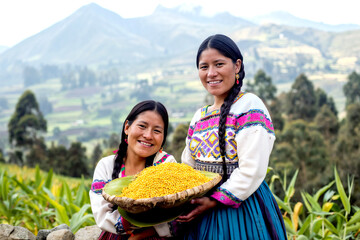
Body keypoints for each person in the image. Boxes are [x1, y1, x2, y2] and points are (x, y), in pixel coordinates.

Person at [178, 34, 287, 239]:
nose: (211, 73)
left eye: (219, 64)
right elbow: (188, 168)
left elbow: (251, 170)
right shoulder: (199, 117)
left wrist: (214, 200)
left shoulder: (249, 106)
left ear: (237, 66)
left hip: (241, 211)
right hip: (200, 212)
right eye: (204, 67)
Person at [90, 100, 178, 240]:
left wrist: (142, 234)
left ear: (163, 137)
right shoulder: (106, 166)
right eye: (142, 126)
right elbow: (102, 215)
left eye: (157, 130)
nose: (148, 135)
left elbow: (173, 216)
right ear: (127, 127)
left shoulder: (167, 164)